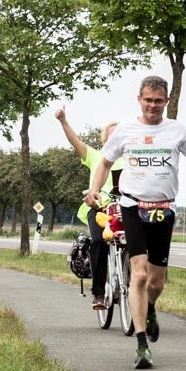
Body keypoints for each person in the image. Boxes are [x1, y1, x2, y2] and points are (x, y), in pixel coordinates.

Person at [85, 75, 186, 369]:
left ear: (166, 101)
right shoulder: (125, 131)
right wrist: (95, 189)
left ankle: (150, 308)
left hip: (164, 210)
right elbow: (105, 162)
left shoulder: (177, 131)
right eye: (148, 100)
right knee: (138, 274)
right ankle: (141, 345)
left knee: (156, 280)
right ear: (139, 99)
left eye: (158, 101)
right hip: (132, 206)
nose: (153, 106)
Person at [55, 106, 123, 311]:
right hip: (100, 209)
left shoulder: (132, 158)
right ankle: (99, 294)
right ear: (105, 140)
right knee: (100, 243)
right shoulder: (96, 156)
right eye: (112, 135)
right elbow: (75, 142)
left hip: (126, 208)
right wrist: (63, 121)